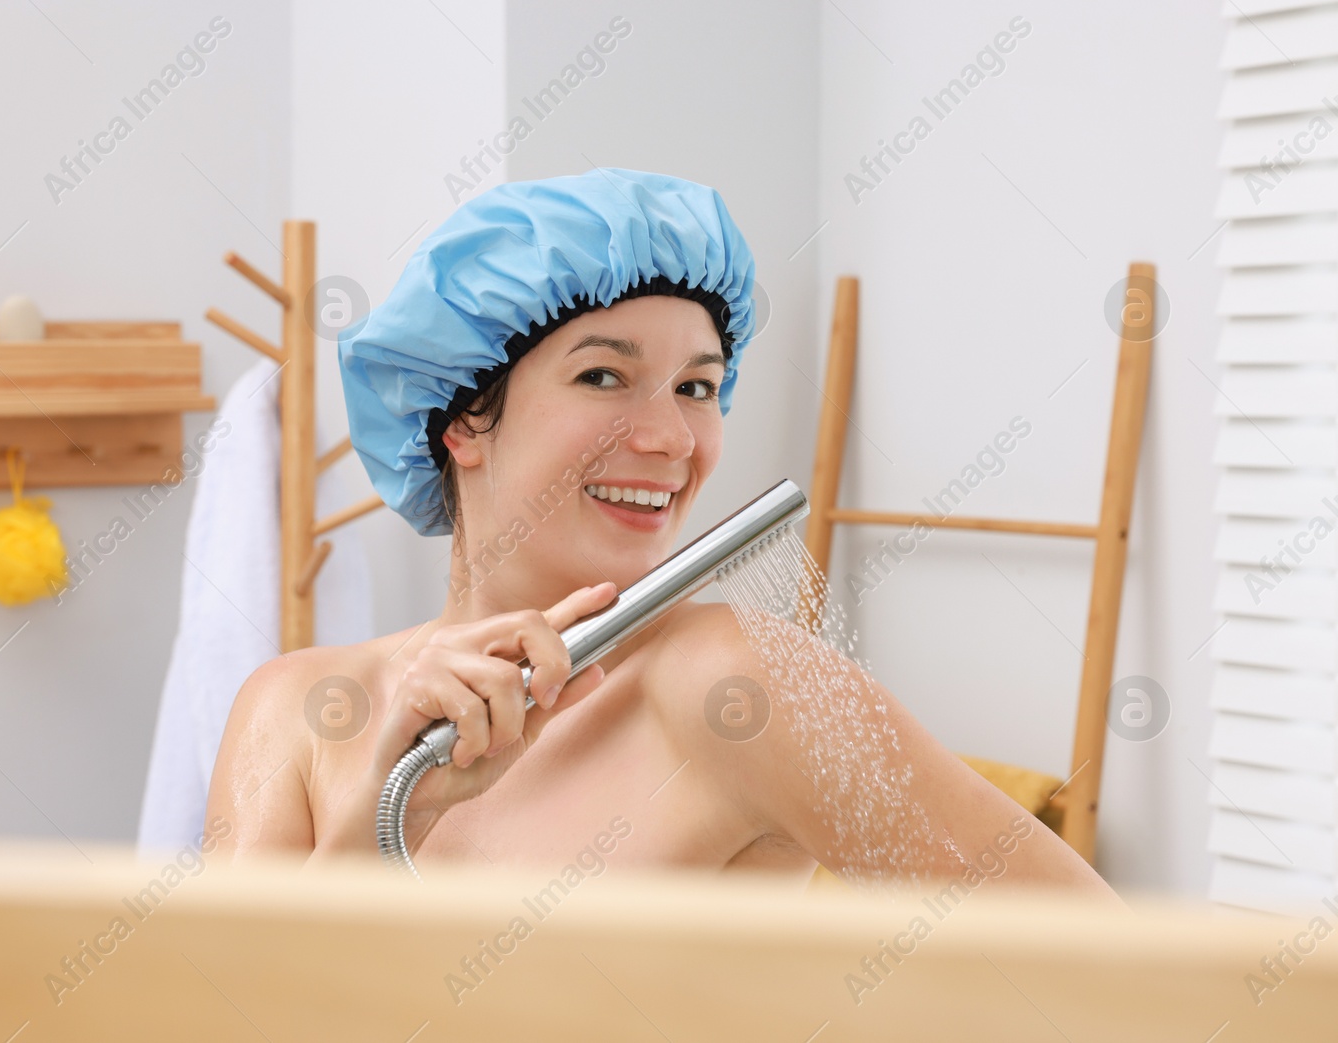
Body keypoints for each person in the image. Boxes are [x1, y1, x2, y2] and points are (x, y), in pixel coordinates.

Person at [204, 168, 1122, 903]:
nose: (673, 438)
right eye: (605, 377)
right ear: (462, 420)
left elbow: (1116, 968)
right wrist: (386, 813)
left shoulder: (739, 685)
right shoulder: (295, 712)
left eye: (695, 385)